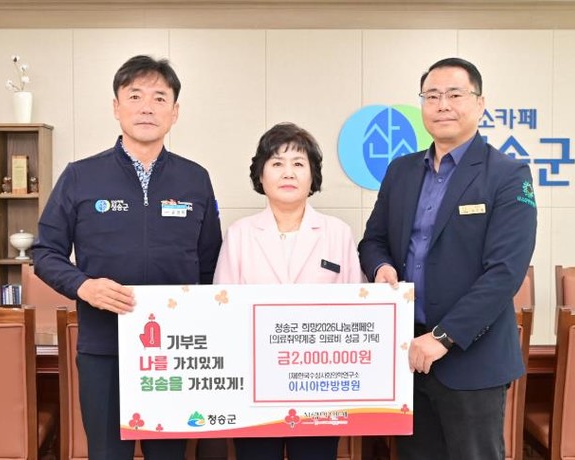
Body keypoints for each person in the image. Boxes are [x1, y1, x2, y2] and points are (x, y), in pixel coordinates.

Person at [32, 55, 222, 460]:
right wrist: (83, 285)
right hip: (104, 347)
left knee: (169, 455)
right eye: (135, 96)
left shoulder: (195, 179)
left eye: (159, 98)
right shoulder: (80, 176)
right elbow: (45, 251)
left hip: (175, 351)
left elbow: (210, 265)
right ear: (116, 107)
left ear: (175, 112)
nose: (147, 107)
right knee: (106, 453)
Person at [358, 57, 537, 460]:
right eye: (432, 96)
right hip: (408, 355)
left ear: (480, 103)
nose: (442, 105)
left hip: (472, 359)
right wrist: (381, 267)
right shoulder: (401, 171)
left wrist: (443, 338)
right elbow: (373, 241)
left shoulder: (507, 174)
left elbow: (504, 272)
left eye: (455, 95)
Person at [213, 122, 362, 460]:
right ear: (261, 175)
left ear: (313, 176)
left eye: (298, 163)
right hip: (254, 382)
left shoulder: (337, 232)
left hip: (320, 383)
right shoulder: (240, 233)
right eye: (277, 163)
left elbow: (356, 308)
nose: (288, 173)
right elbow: (222, 308)